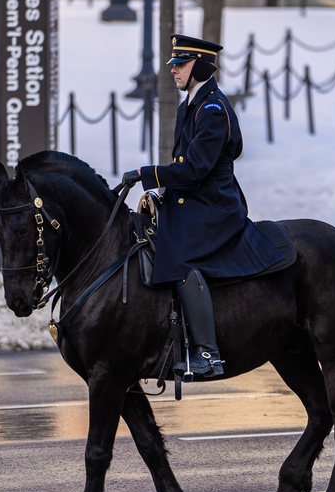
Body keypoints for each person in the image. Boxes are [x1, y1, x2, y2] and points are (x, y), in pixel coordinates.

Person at [122, 34, 284, 379]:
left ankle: (208, 353)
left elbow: (195, 168)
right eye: (174, 65)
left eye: (181, 65)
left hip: (214, 205)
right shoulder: (190, 105)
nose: (174, 71)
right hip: (193, 199)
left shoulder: (213, 108)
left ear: (201, 66)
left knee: (180, 256)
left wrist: (146, 174)